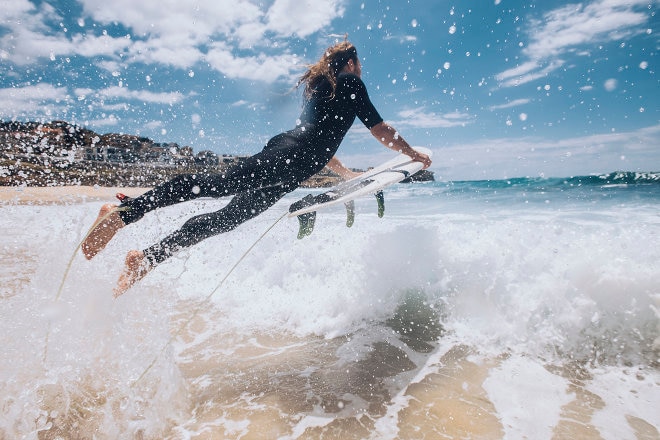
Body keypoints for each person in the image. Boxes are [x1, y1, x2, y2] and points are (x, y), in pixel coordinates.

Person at [82, 41, 432, 297]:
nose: (361, 68)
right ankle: (126, 210)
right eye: (360, 62)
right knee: (218, 185)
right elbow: (379, 129)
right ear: (351, 62)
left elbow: (321, 144)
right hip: (286, 158)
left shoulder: (329, 90)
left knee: (226, 219)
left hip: (291, 167)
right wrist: (412, 153)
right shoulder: (350, 82)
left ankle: (145, 259)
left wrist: (345, 175)